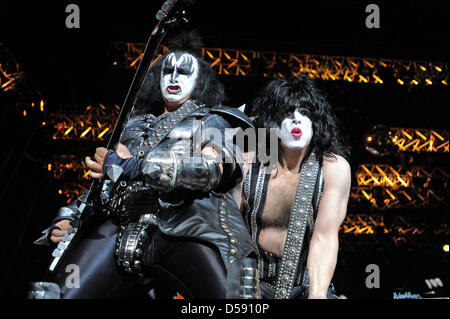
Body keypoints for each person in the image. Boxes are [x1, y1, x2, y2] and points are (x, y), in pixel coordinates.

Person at [29, 32, 258, 299]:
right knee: (51, 295)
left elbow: (209, 170)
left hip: (185, 226)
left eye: (183, 71)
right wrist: (72, 216)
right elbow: (103, 183)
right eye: (167, 70)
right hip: (121, 226)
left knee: (235, 301)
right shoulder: (133, 125)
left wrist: (132, 167)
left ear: (200, 80)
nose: (173, 77)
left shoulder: (214, 121)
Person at [234, 75, 351, 299]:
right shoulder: (247, 164)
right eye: (287, 113)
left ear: (317, 122)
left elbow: (324, 238)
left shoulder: (333, 168)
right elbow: (228, 231)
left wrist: (317, 295)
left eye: (305, 113)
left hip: (306, 284)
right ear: (270, 121)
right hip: (252, 284)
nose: (296, 119)